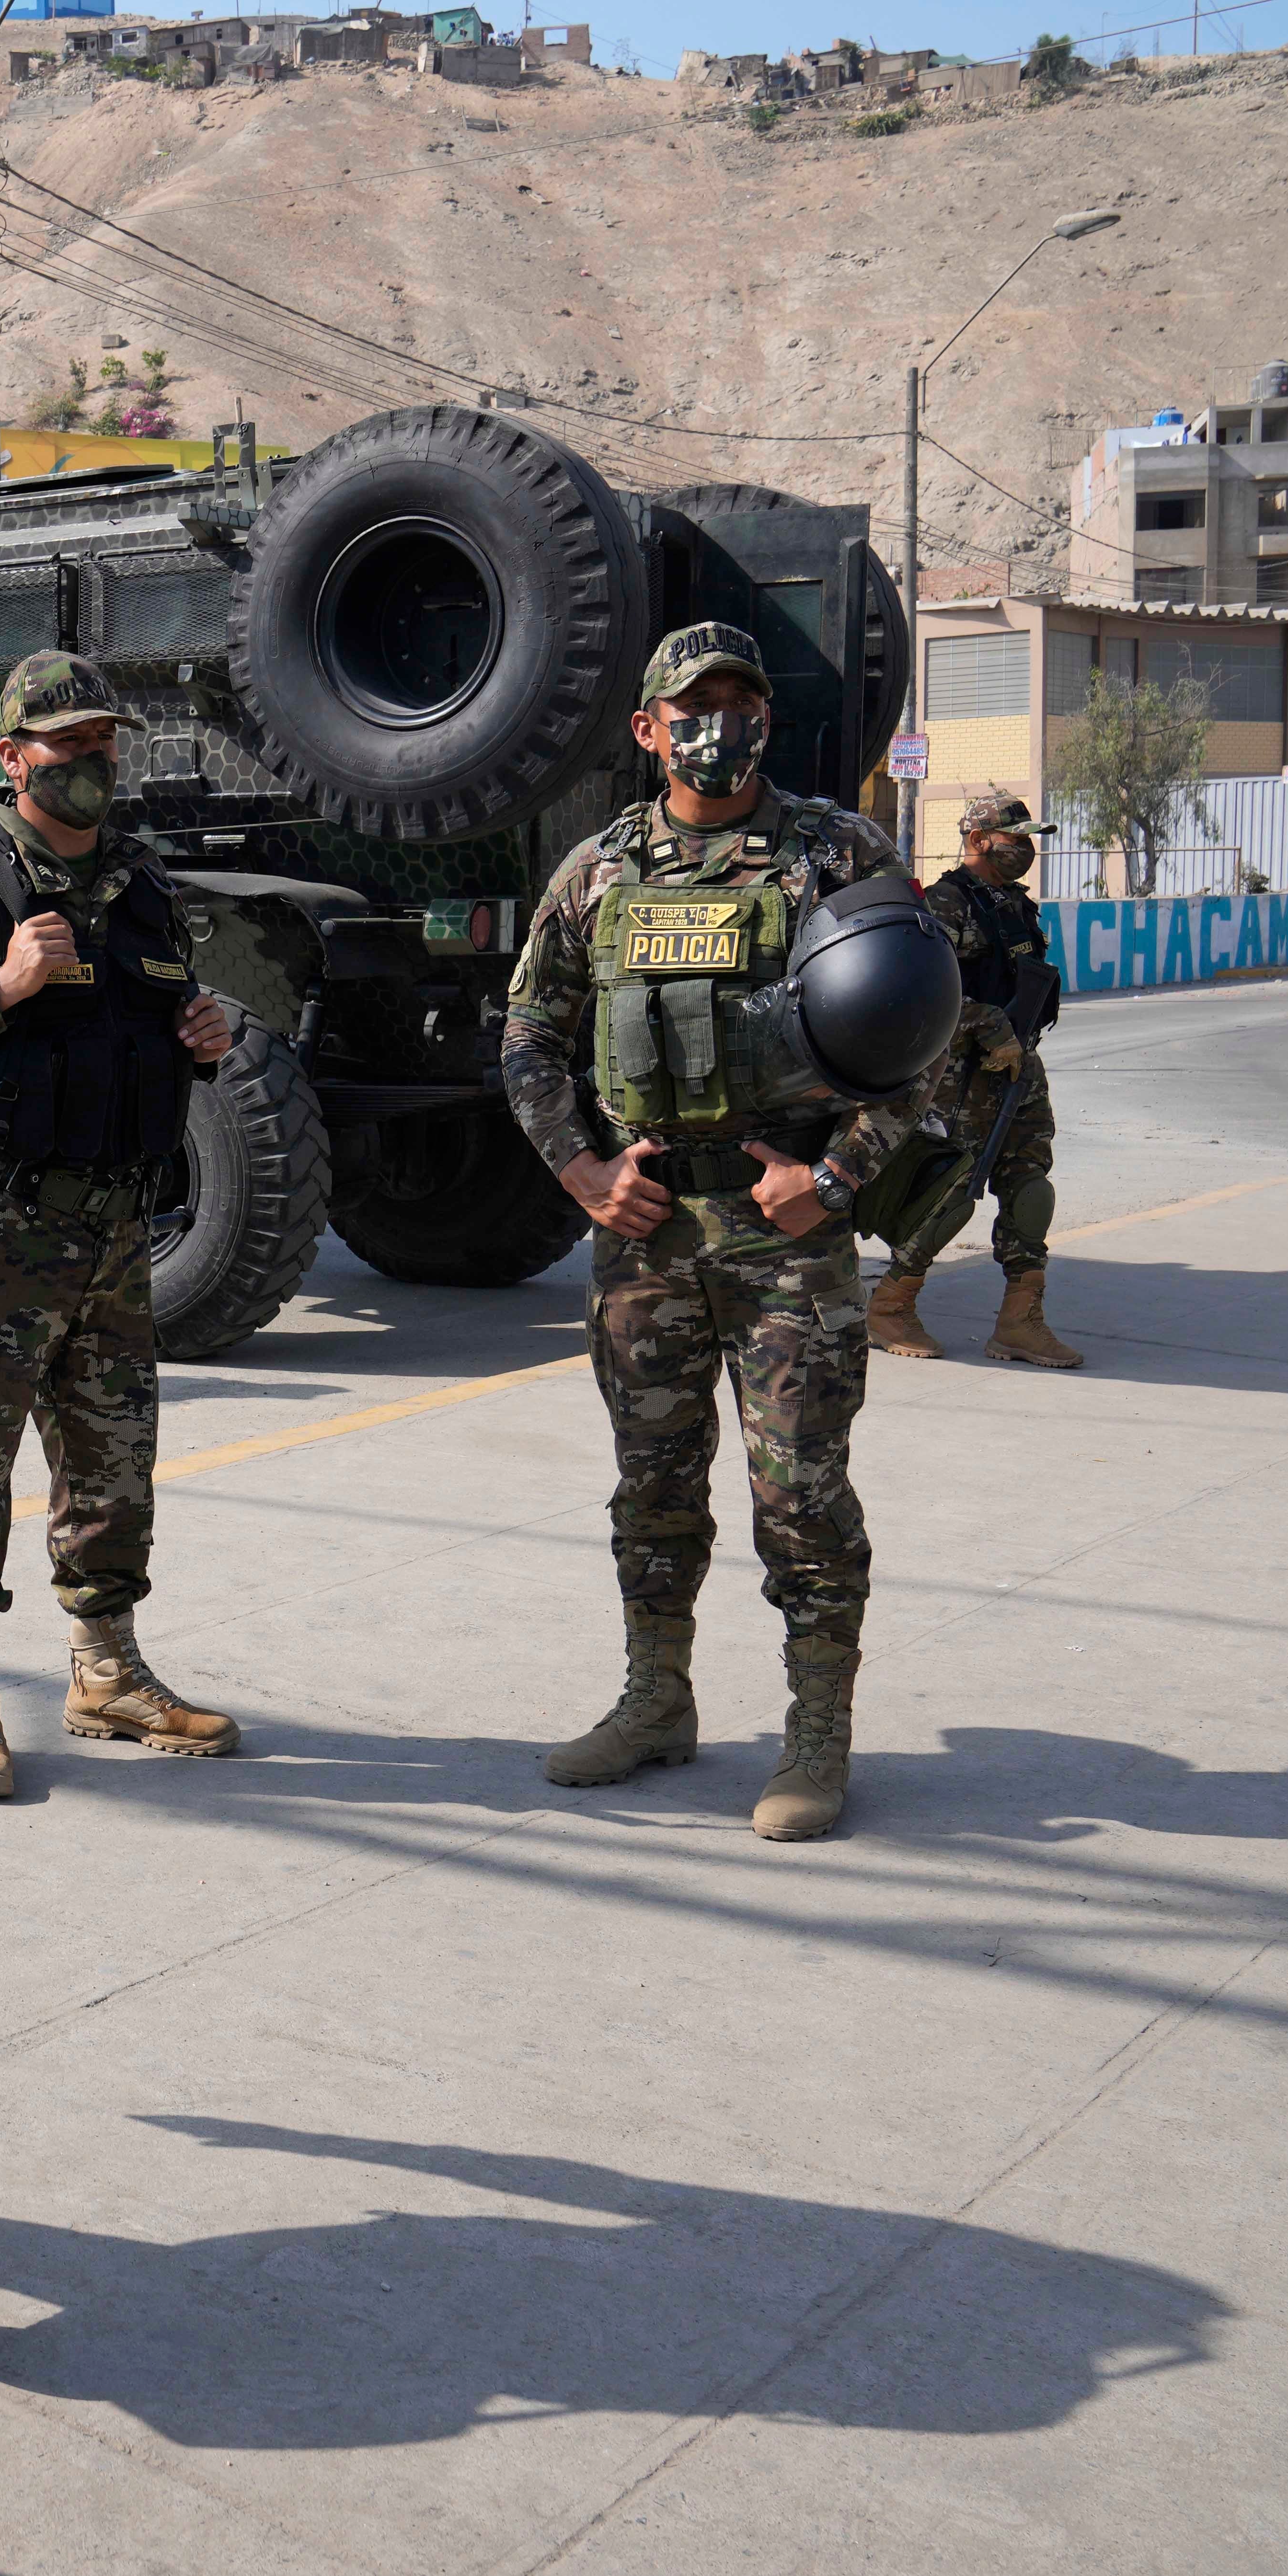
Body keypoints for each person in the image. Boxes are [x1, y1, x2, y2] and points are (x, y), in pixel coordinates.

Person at [498, 622, 926, 1843]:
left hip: (781, 1237)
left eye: (738, 702)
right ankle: (654, 1700)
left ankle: (814, 1734)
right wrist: (581, 1172)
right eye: (691, 704)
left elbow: (920, 1044)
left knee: (798, 1490)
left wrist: (835, 1180)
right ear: (646, 730)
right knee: (652, 1483)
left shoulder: (834, 852)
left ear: (763, 723)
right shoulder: (596, 872)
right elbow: (529, 1035)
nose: (716, 723)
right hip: (644, 1234)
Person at [0, 650, 240, 1801]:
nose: (91, 764)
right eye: (68, 747)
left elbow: (156, 1023)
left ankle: (105, 1670)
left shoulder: (141, 883)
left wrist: (202, 1032)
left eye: (103, 745)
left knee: (114, 1465)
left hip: (119, 1234)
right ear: (12, 756)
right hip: (2, 1237)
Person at [870, 796, 1079, 1368]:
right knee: (953, 1192)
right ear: (979, 838)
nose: (1025, 847)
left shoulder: (1012, 905)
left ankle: (1020, 1321)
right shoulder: (944, 903)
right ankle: (891, 1303)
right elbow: (918, 991)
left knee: (1030, 1186)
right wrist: (988, 1027)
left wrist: (1015, 1038)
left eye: (1028, 837)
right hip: (958, 1075)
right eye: (1014, 836)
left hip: (1017, 1068)